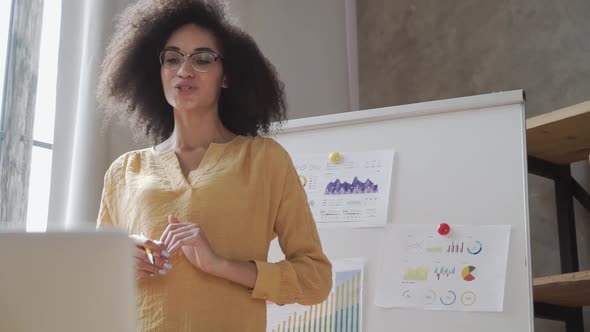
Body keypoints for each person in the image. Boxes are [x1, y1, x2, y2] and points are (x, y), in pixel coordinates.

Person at [96, 0, 332, 330]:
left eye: (203, 59)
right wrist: (120, 260)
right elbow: (94, 282)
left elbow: (316, 279)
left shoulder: (264, 160)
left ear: (227, 76)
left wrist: (220, 265)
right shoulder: (125, 171)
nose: (184, 70)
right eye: (173, 59)